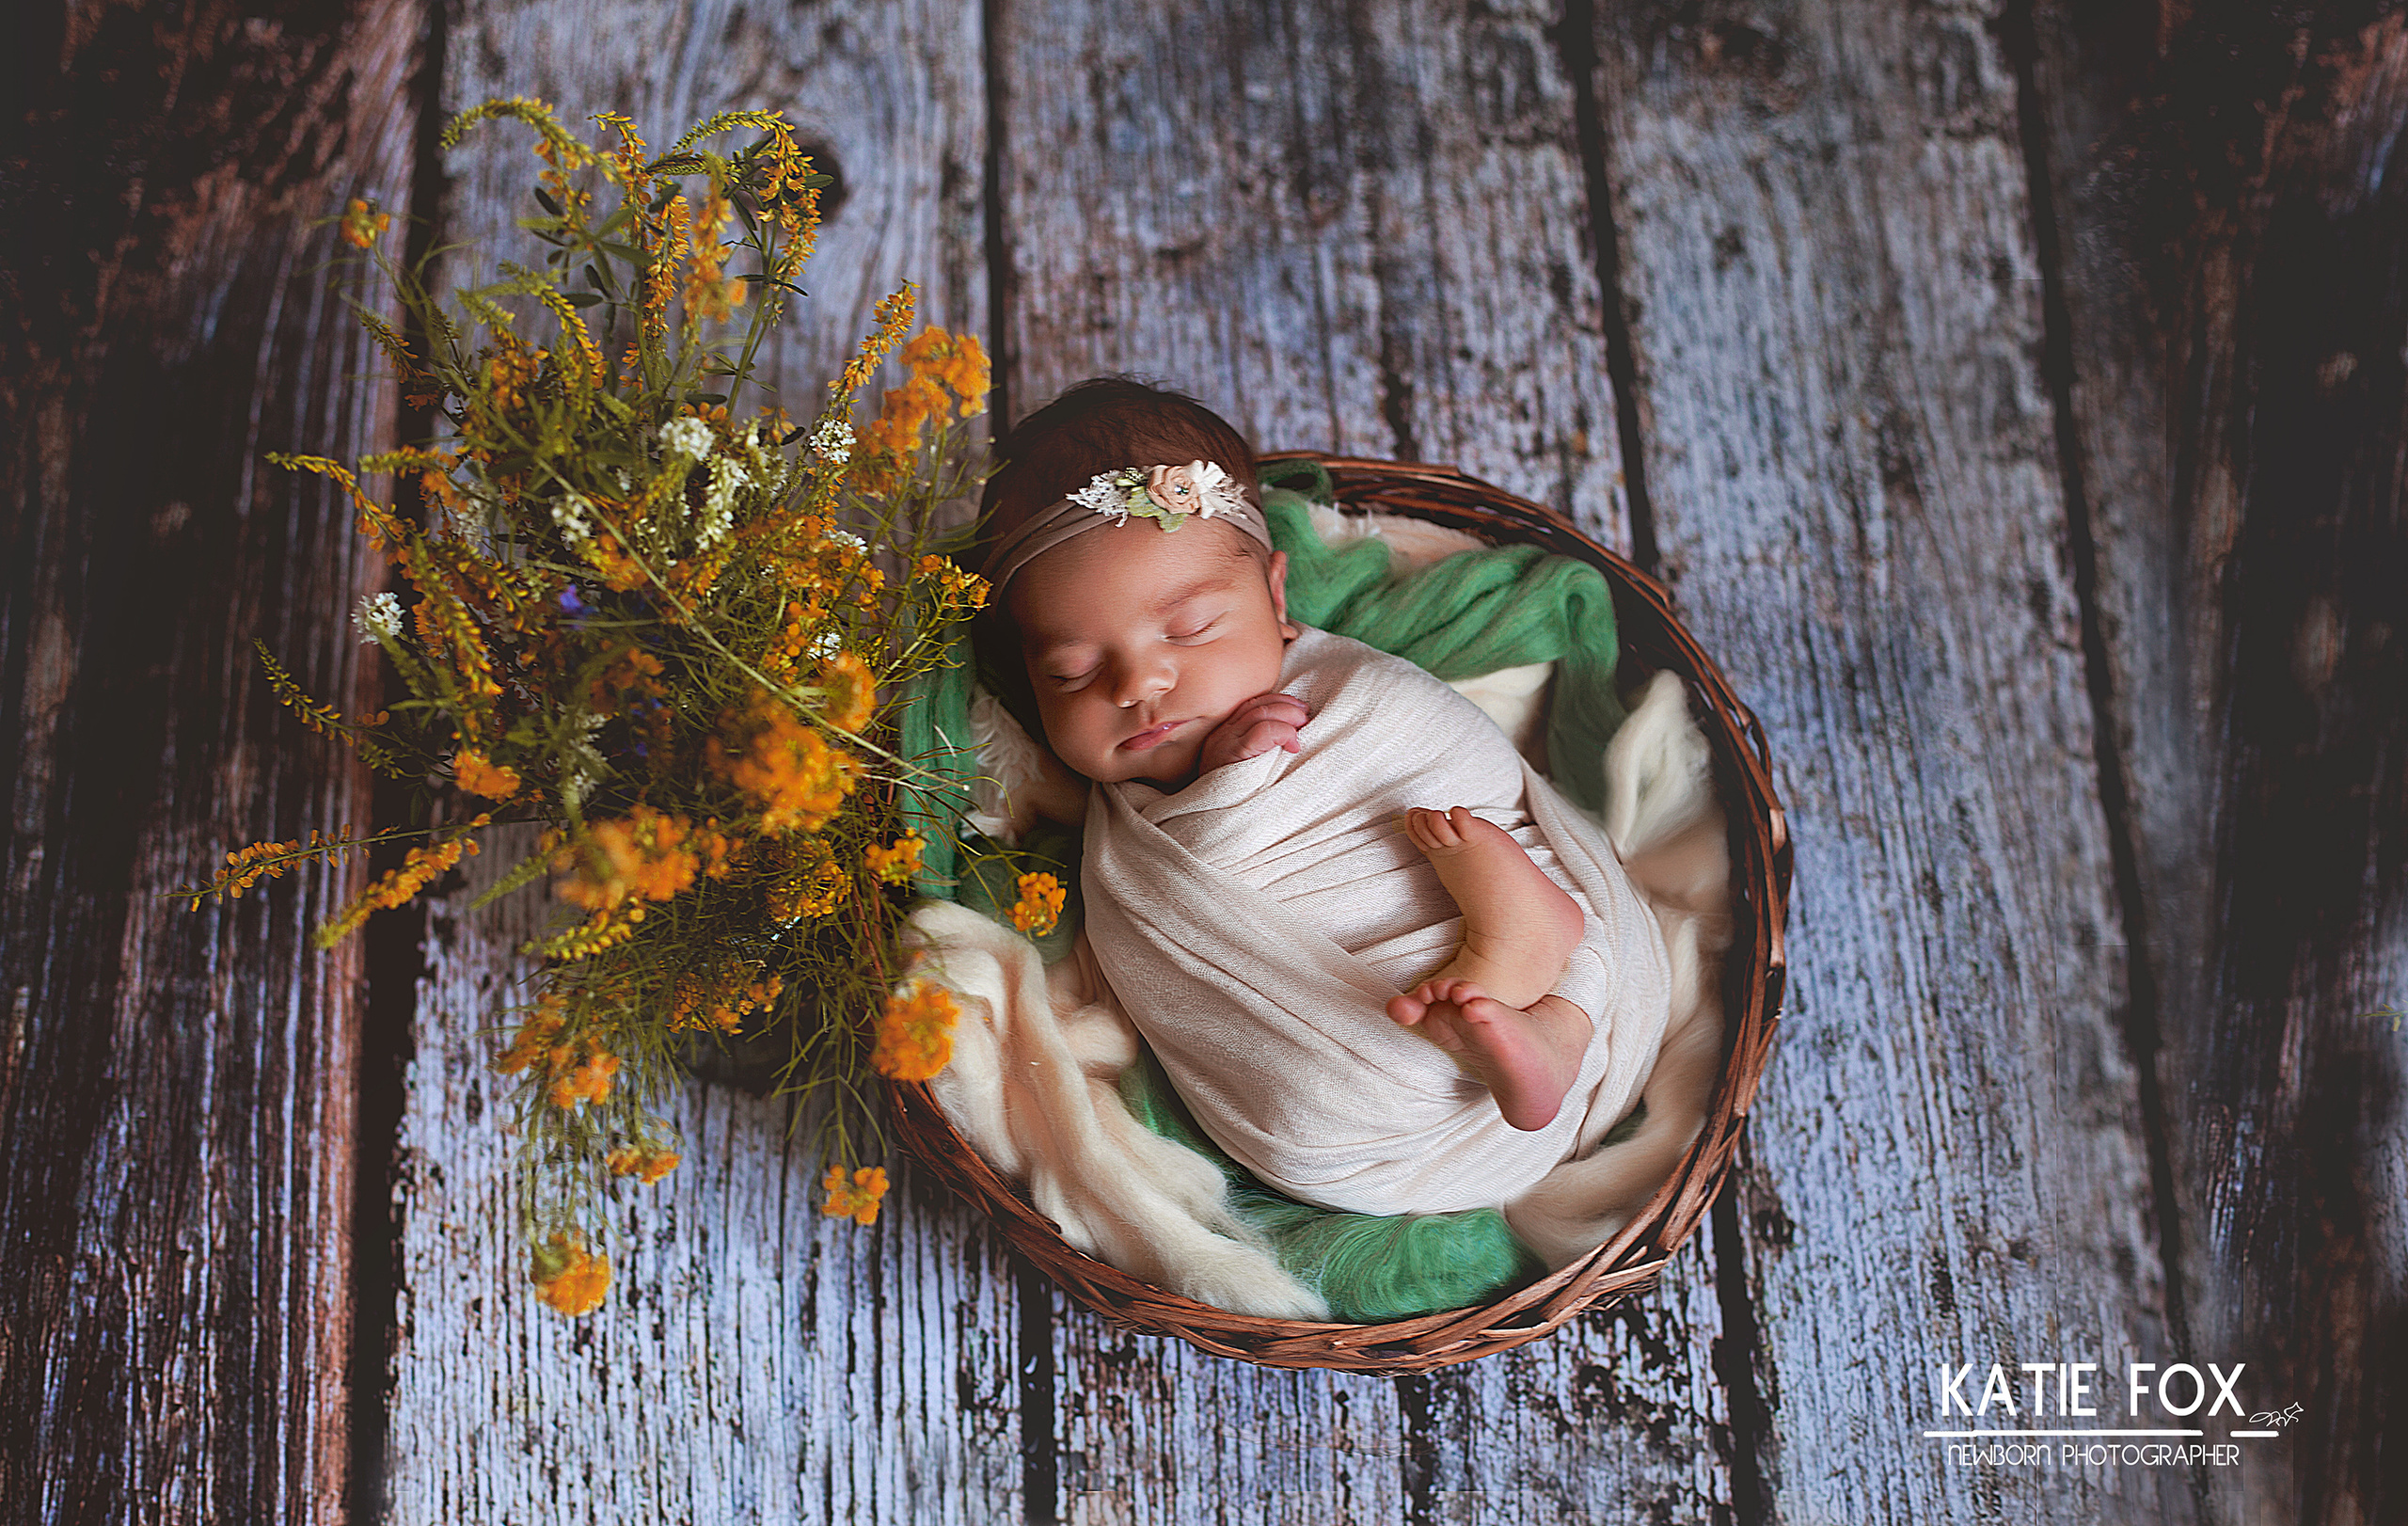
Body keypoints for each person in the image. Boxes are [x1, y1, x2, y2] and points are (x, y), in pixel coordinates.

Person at [970, 377, 1671, 1216]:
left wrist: (1239, 781)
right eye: (1070, 672)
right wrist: (1212, 788)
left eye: (1190, 630)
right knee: (1306, 1112)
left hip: (1433, 893)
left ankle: (1527, 949)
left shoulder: (1333, 692)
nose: (1140, 682)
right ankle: (1544, 1018)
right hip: (1380, 1122)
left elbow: (1440, 751)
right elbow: (1176, 968)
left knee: (1523, 889)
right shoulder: (1113, 837)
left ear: (1275, 596)